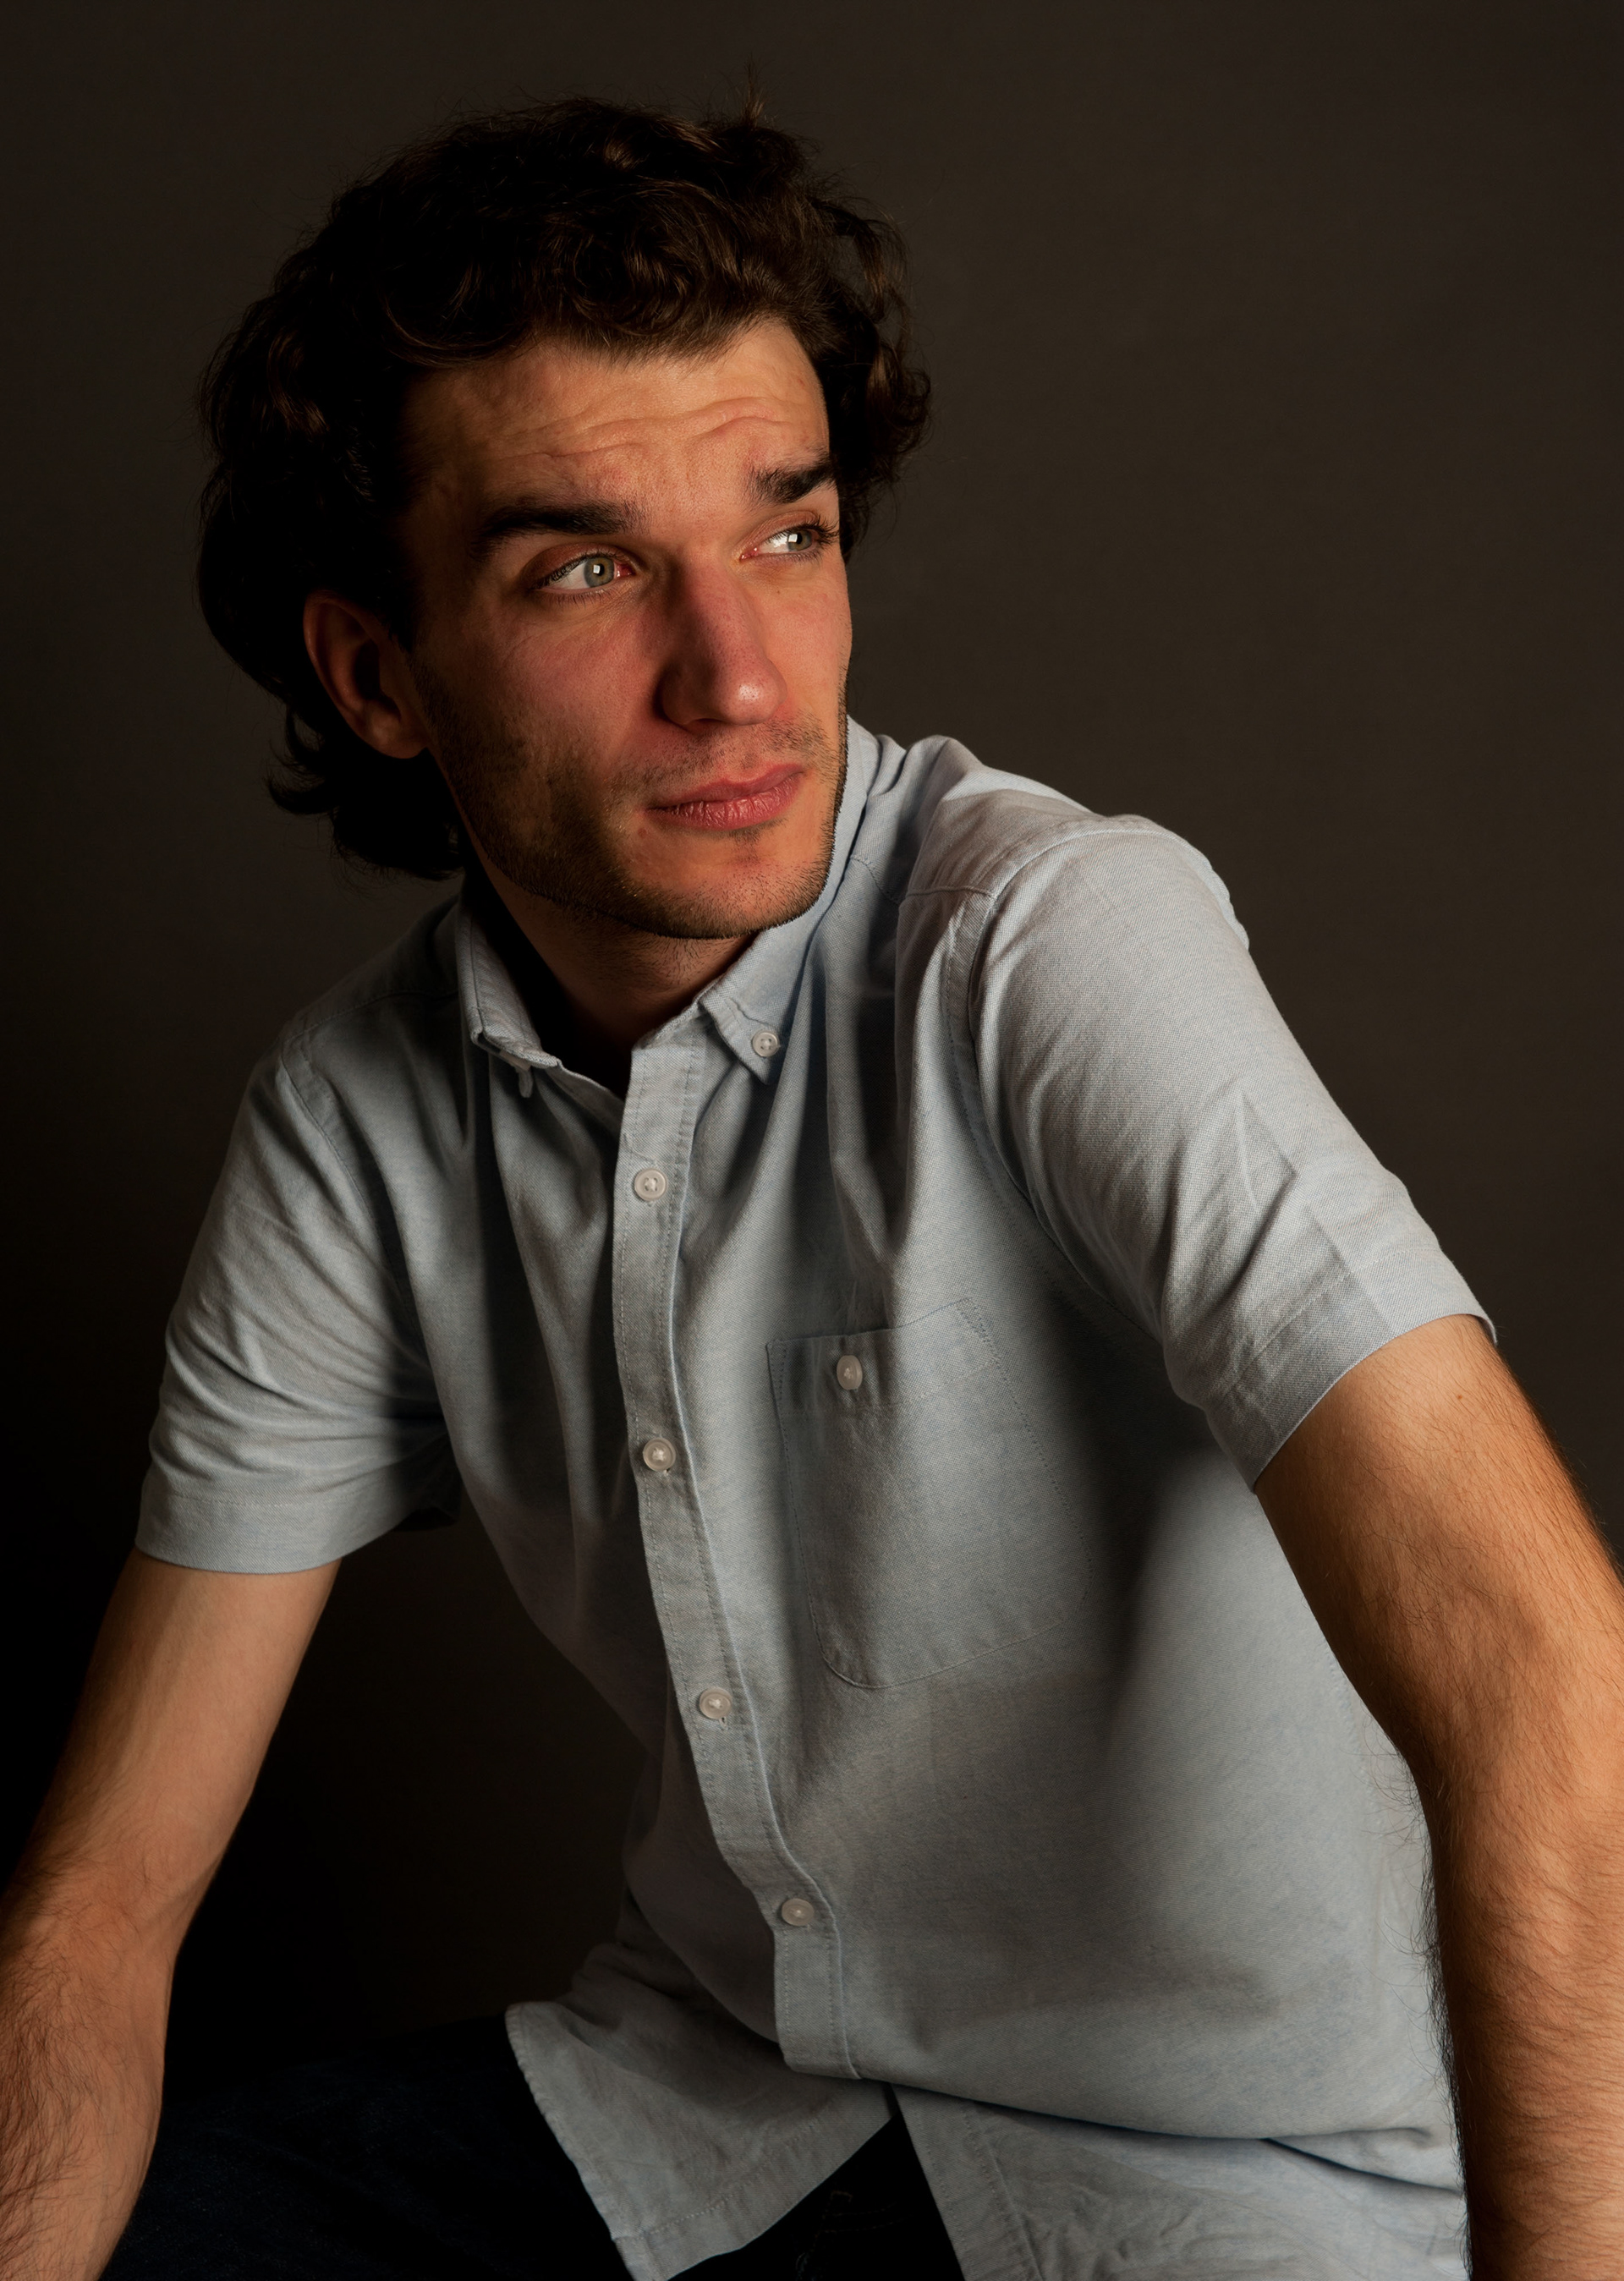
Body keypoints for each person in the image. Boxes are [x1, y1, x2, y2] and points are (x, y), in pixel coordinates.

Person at [0, 94, 1618, 2281]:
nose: (742, 676)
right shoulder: (356, 1114)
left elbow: (1545, 1680)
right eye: (588, 570)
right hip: (716, 2101)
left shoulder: (1047, 941)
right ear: (377, 674)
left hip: (1239, 2178)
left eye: (789, 532)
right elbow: (103, 1904)